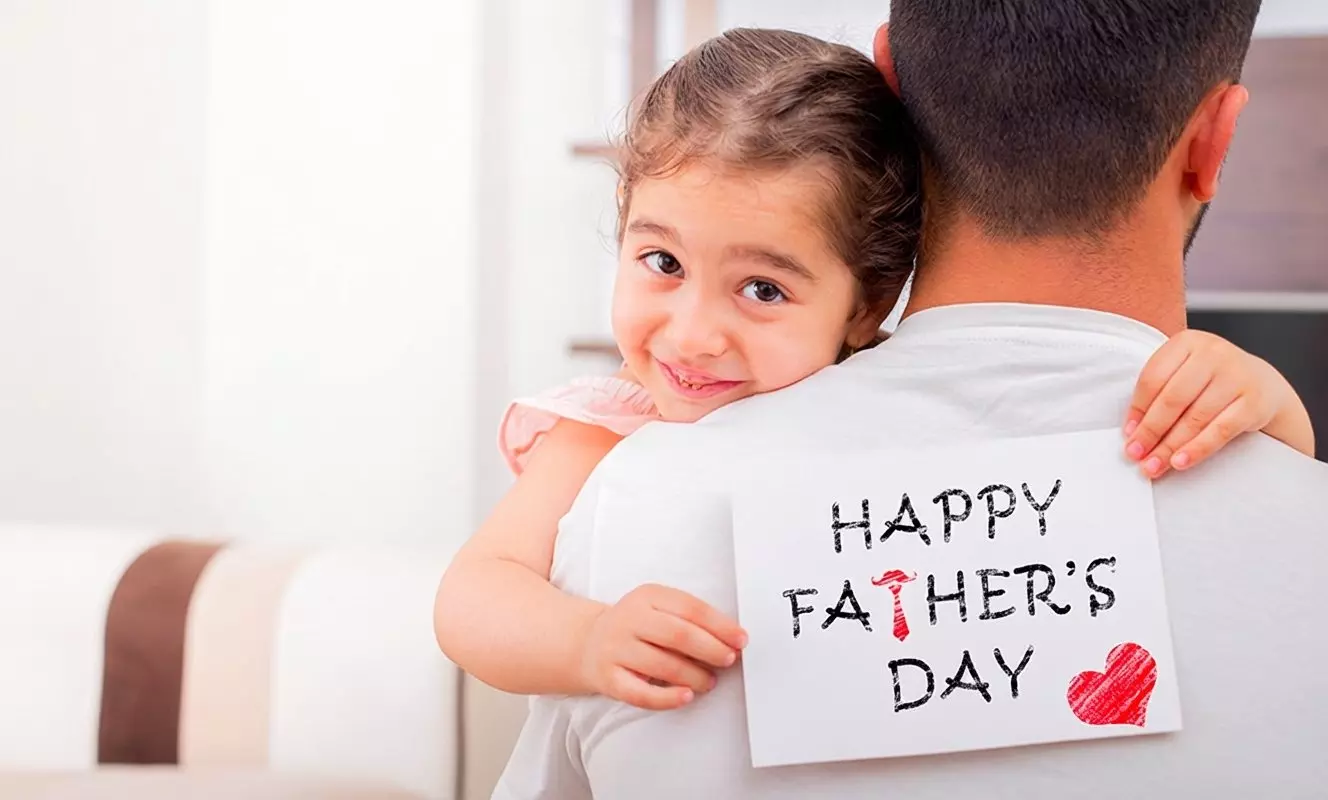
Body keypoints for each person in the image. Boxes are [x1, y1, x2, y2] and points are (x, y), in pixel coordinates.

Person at [484, 2, 1328, 798]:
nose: (695, 337)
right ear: (1216, 140)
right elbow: (480, 595)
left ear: (892, 86)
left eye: (763, 289)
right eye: (662, 262)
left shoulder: (624, 509)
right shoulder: (602, 451)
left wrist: (1271, 403)